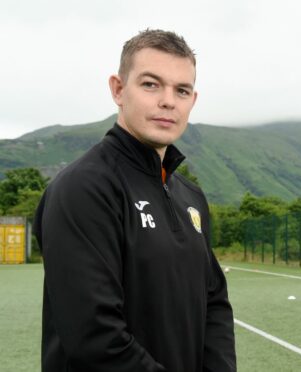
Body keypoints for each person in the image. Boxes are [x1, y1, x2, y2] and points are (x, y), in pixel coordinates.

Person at [34, 29, 236, 372]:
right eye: (150, 84)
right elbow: (95, 338)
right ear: (118, 89)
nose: (168, 101)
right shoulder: (82, 189)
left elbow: (214, 302)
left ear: (192, 100)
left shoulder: (191, 197)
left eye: (181, 90)